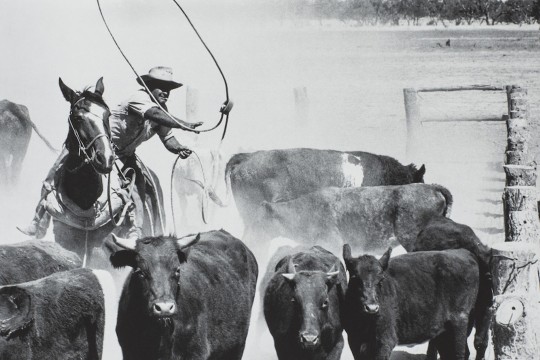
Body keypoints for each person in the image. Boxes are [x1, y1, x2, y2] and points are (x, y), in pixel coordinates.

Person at [18, 66, 202, 238]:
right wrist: (183, 124)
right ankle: (37, 222)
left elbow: (169, 140)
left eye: (168, 88)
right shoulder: (140, 99)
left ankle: (135, 233)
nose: (166, 92)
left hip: (126, 156)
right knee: (54, 173)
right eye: (161, 87)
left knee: (139, 188)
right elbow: (153, 114)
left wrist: (179, 148)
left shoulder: (163, 113)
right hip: (101, 146)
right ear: (148, 87)